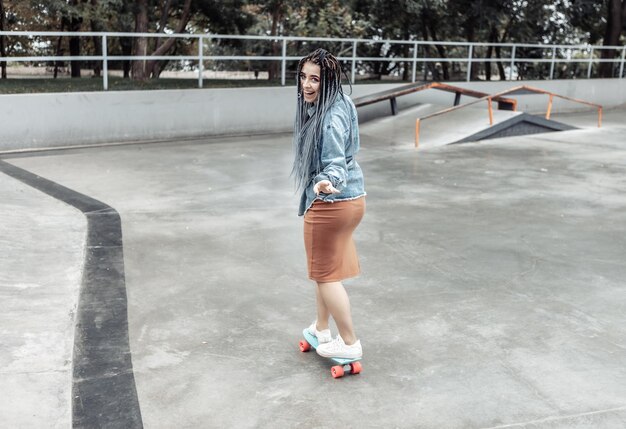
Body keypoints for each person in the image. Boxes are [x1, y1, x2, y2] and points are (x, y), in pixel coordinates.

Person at [291, 48, 366, 359]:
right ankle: (322, 328)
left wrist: (327, 181)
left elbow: (334, 160)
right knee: (327, 272)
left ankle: (350, 344)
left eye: (315, 80)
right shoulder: (339, 103)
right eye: (304, 77)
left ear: (330, 81)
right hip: (354, 201)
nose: (307, 85)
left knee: (324, 275)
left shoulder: (330, 116)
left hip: (331, 202)